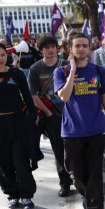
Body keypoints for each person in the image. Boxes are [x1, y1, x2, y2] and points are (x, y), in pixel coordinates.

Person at [53, 33, 105, 209]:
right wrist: (72, 71)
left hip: (96, 130)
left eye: (84, 46)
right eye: (77, 46)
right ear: (70, 49)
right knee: (76, 174)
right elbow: (64, 96)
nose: (81, 49)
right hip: (72, 132)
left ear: (90, 48)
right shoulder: (61, 71)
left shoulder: (99, 71)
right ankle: (88, 195)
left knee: (95, 174)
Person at [0, 42, 39, 209]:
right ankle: (12, 195)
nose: (0, 58)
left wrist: (33, 115)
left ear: (7, 56)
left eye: (2, 55)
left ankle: (27, 195)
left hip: (18, 123)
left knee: (20, 160)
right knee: (3, 162)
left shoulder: (16, 73)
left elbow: (27, 97)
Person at [28, 36, 73, 197]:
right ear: (41, 50)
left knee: (62, 149)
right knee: (40, 148)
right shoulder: (35, 69)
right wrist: (47, 113)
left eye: (53, 46)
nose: (51, 49)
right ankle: (28, 180)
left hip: (66, 114)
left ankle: (67, 182)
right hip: (45, 113)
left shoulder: (66, 65)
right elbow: (33, 95)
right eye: (46, 47)